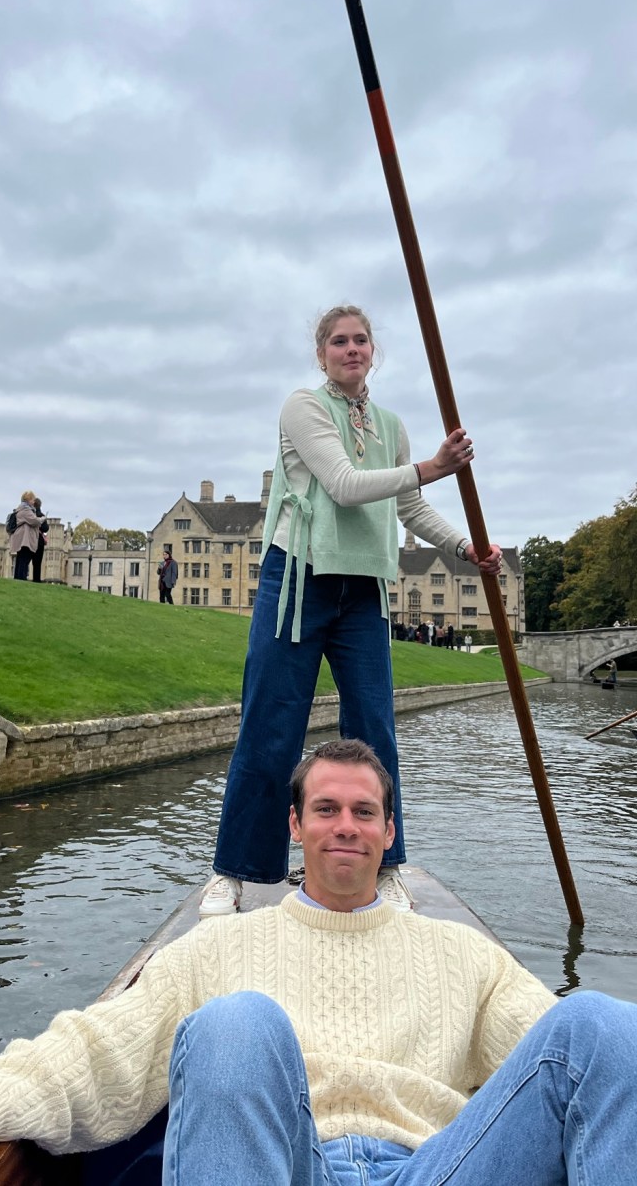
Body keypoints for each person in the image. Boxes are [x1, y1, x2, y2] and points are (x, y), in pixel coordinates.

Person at [0, 739, 637, 1186]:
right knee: (238, 1023)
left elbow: (602, 1067)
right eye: (325, 808)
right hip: (286, 1165)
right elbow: (97, 1044)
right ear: (295, 826)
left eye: (364, 811)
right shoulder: (218, 945)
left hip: (438, 1166)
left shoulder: (460, 954)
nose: (346, 825)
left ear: (390, 832)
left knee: (611, 1022)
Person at [200, 305, 502, 921]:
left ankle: (386, 867)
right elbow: (342, 484)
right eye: (339, 341)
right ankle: (234, 872)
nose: (351, 349)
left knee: (375, 729)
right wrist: (433, 467)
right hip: (299, 577)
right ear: (322, 354)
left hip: (364, 587)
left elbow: (409, 508)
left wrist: (463, 547)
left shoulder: (390, 425)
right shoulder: (303, 407)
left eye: (361, 340)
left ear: (373, 352)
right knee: (271, 723)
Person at [8, 491, 41, 581]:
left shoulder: (20, 509)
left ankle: (18, 578)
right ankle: (21, 578)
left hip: (21, 538)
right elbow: (35, 521)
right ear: (28, 500)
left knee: (20, 558)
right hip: (24, 539)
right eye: (33, 499)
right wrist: (42, 519)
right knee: (24, 559)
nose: (34, 502)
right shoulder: (26, 509)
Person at [30, 498, 50, 582]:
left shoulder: (30, 514)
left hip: (30, 538)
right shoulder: (41, 515)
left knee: (26, 560)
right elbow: (46, 528)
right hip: (39, 541)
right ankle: (36, 579)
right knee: (37, 562)